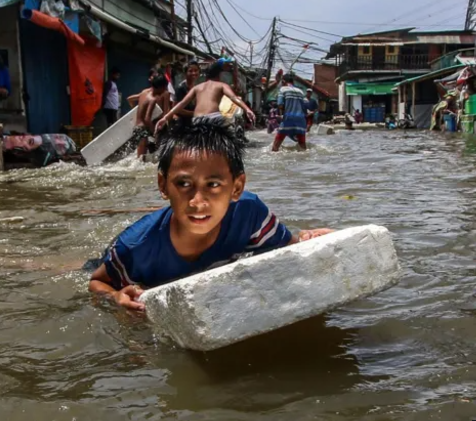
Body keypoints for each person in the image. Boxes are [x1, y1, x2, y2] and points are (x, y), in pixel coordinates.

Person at [87, 118, 335, 310]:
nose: (198, 202)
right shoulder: (135, 247)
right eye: (184, 184)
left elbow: (286, 249)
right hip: (117, 257)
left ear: (236, 187)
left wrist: (307, 240)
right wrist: (116, 296)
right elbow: (97, 282)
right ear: (163, 186)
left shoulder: (249, 215)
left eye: (213, 185)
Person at [156, 61, 255, 131]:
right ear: (220, 75)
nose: (194, 73)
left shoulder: (197, 87)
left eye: (196, 71)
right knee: (231, 138)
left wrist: (165, 117)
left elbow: (182, 103)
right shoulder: (222, 85)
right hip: (213, 118)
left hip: (196, 120)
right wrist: (247, 109)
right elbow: (234, 98)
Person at [128, 75, 169, 159]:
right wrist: (154, 132)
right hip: (144, 129)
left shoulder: (143, 93)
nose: (165, 90)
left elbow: (131, 99)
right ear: (160, 87)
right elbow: (147, 119)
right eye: (165, 88)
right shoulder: (153, 99)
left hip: (137, 128)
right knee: (141, 160)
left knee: (139, 158)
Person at [273, 74, 308, 152]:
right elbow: (305, 106)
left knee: (275, 148)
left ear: (283, 81)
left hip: (288, 119)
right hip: (301, 121)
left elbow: (280, 104)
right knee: (303, 148)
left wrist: (282, 115)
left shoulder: (283, 89)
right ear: (293, 82)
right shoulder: (301, 91)